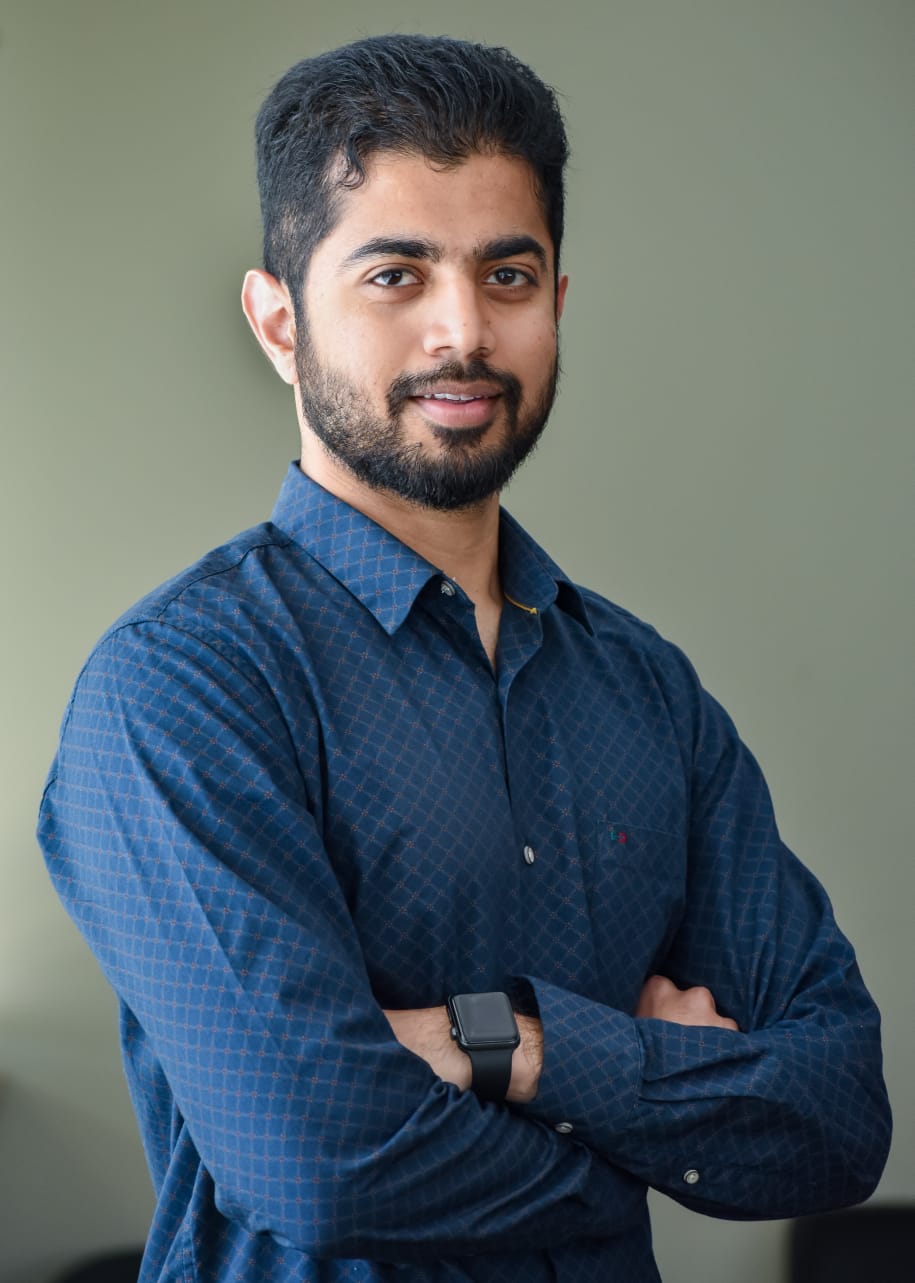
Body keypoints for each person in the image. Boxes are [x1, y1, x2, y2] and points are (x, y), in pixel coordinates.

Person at [38, 33, 891, 1283]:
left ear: (558, 301)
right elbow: (321, 1161)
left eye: (508, 274)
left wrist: (516, 1047)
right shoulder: (181, 685)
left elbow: (839, 1116)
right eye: (396, 274)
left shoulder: (646, 689)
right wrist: (646, 1119)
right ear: (278, 321)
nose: (464, 331)